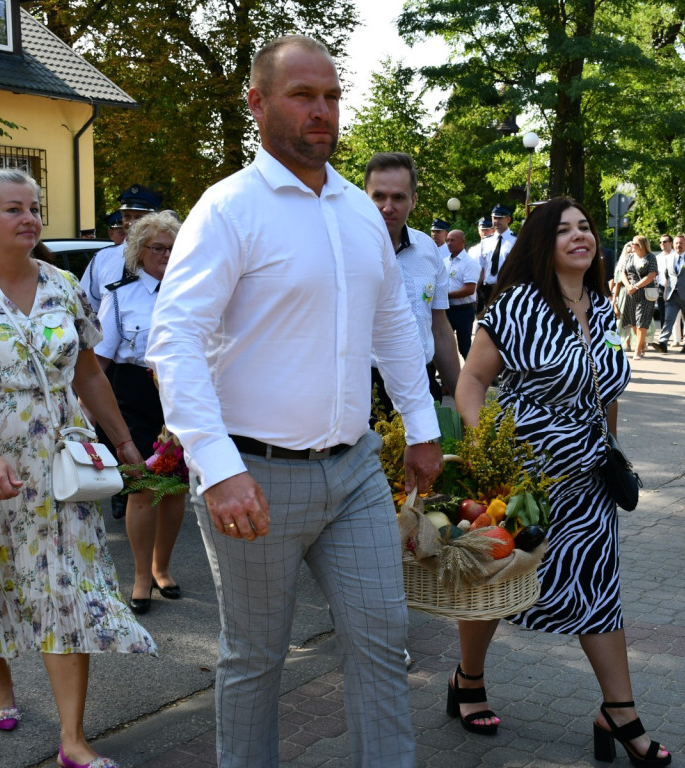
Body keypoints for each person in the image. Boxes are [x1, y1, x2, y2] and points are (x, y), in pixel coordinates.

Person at [145, 35, 443, 768]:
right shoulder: (228, 209)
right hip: (255, 478)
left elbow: (394, 325)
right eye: (303, 95)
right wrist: (217, 468)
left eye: (332, 96)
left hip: (355, 474)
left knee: (383, 639)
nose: (322, 111)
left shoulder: (357, 208)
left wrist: (423, 426)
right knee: (256, 656)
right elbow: (174, 341)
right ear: (257, 102)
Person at [0, 169, 155, 768]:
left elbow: (89, 373)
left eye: (34, 208)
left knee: (69, 587)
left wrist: (124, 441)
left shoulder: (64, 285)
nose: (29, 219)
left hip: (60, 465)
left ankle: (73, 742)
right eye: (14, 209)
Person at [453, 197, 670, 766]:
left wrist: (614, 452)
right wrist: (484, 454)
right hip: (529, 478)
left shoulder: (601, 307)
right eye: (565, 230)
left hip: (591, 477)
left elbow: (608, 390)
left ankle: (618, 712)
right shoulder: (515, 306)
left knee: (599, 590)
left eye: (587, 227)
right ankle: (467, 681)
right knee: (496, 583)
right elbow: (472, 382)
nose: (580, 236)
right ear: (542, 243)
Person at [95, 212, 186, 614]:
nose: (165, 254)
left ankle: (162, 567)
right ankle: (140, 577)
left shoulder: (193, 291)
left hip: (181, 396)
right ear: (138, 251)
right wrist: (83, 410)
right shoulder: (119, 295)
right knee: (143, 488)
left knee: (174, 489)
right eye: (157, 248)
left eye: (172, 247)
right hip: (133, 394)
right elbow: (98, 360)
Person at [363, 152, 459, 405]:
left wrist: (462, 398)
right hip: (363, 390)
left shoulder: (428, 250)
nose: (387, 207)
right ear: (365, 197)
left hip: (422, 385)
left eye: (398, 197)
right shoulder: (344, 249)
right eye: (379, 196)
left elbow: (439, 327)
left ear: (413, 200)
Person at [79, 184, 162, 312]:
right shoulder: (102, 259)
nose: (131, 223)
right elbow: (84, 306)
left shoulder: (165, 258)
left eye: (139, 217)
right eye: (127, 216)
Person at [652, 233, 685, 354]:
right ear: (673, 245)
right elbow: (666, 275)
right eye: (676, 243)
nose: (678, 245)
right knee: (668, 319)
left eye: (681, 243)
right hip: (672, 294)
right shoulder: (668, 258)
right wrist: (666, 291)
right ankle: (663, 343)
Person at [444, 228, 481, 358]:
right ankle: (446, 377)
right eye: (447, 240)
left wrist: (445, 295)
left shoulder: (469, 263)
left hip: (463, 311)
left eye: (452, 240)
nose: (449, 243)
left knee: (464, 347)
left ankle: (475, 376)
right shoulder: (445, 262)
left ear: (462, 241)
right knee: (442, 346)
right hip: (447, 309)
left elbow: (469, 289)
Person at [622, 235, 658, 359]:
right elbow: (623, 272)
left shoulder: (650, 257)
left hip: (646, 292)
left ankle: (637, 350)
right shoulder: (629, 257)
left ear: (641, 246)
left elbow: (652, 275)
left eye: (634, 244)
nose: (632, 246)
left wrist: (636, 286)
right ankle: (641, 344)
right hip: (631, 293)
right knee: (633, 321)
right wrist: (628, 286)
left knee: (642, 320)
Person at [610, 242, 636, 352]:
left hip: (636, 294)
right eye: (628, 252)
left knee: (635, 320)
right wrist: (613, 301)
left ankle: (635, 343)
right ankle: (621, 343)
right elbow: (617, 285)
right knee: (621, 321)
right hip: (623, 296)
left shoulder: (638, 265)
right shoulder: (620, 267)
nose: (630, 254)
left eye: (632, 252)